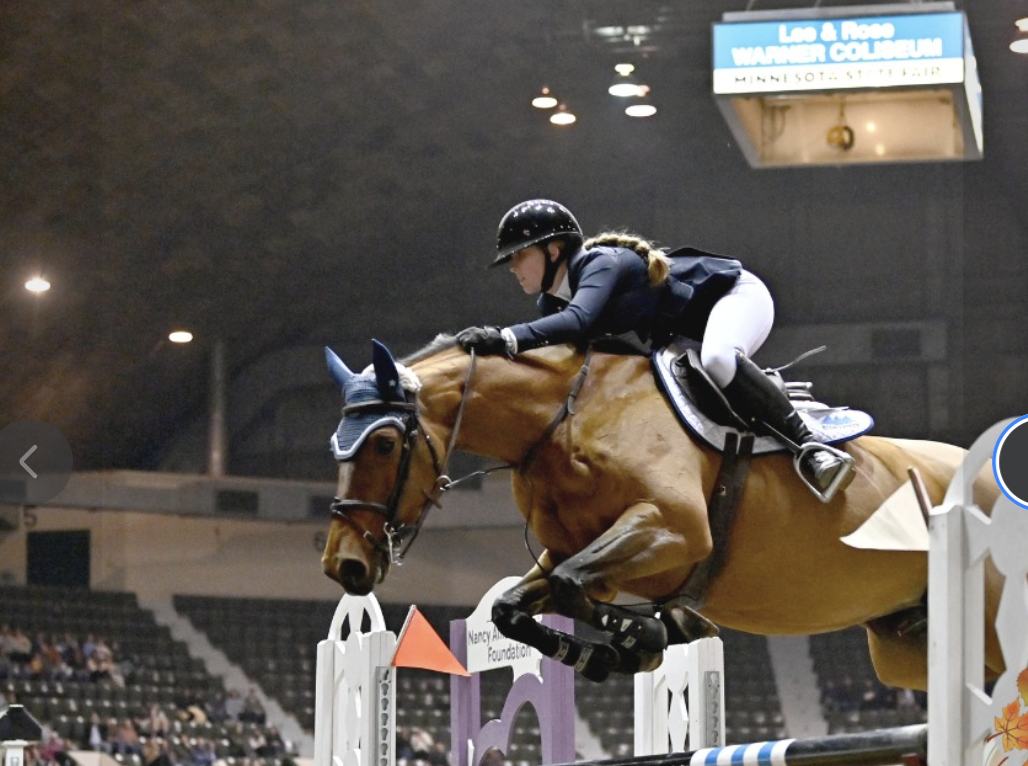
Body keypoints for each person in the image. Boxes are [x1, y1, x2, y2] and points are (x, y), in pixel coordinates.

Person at [456, 199, 854, 497]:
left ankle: (812, 447)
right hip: (679, 339)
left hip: (734, 298)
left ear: (554, 250)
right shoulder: (552, 305)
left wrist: (505, 338)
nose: (512, 267)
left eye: (519, 256)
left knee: (717, 358)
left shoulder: (600, 263)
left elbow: (579, 322)